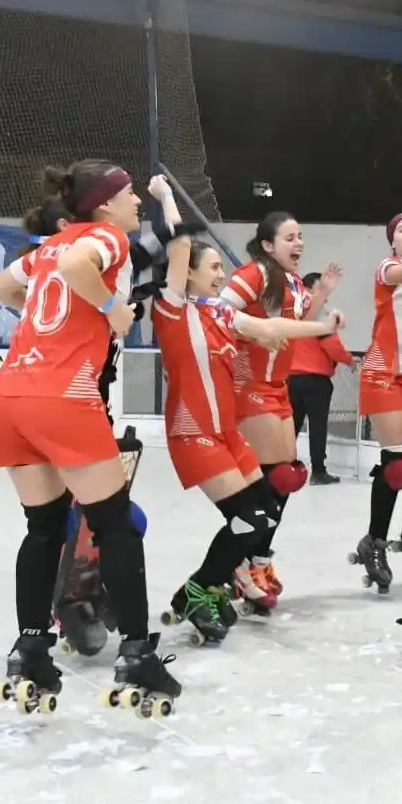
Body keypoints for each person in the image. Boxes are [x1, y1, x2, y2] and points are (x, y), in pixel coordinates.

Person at [0, 160, 180, 705]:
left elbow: (2, 285)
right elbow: (79, 266)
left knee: (44, 528)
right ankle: (138, 656)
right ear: (103, 204)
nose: (135, 203)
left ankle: (31, 650)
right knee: (114, 524)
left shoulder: (47, 245)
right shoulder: (102, 237)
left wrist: (55, 318)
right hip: (63, 396)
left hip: (10, 394)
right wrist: (110, 310)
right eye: (128, 195)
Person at [154, 232, 345, 636]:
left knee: (262, 516)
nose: (221, 275)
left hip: (227, 433)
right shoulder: (172, 308)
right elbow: (178, 249)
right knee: (247, 517)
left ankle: (214, 583)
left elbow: (272, 323)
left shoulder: (221, 315)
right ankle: (195, 591)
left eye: (223, 268)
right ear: (187, 272)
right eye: (213, 268)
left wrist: (321, 324)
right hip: (195, 433)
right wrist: (168, 202)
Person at [219, 214, 342, 607]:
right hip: (249, 385)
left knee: (287, 477)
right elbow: (219, 314)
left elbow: (298, 321)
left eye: (301, 236)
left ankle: (255, 556)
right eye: (290, 237)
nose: (299, 243)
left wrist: (322, 296)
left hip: (278, 385)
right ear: (268, 245)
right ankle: (239, 562)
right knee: (271, 480)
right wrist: (253, 331)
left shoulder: (290, 280)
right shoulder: (253, 273)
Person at [353, 212, 402, 592]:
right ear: (393, 242)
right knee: (398, 466)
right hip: (387, 371)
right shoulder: (391, 266)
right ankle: (375, 542)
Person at [288, 272, 353, 486]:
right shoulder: (318, 311)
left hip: (291, 378)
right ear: (312, 288)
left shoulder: (293, 310)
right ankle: (318, 471)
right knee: (317, 427)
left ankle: (282, 468)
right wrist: (350, 361)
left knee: (291, 426)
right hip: (315, 380)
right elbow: (331, 344)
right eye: (321, 287)